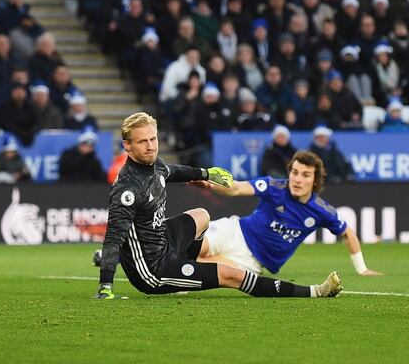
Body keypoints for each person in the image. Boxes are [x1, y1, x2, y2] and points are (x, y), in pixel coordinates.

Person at [93, 112, 341, 300]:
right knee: (231, 275)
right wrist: (106, 286)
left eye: (153, 139)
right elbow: (114, 237)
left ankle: (183, 273)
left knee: (201, 215)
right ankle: (315, 292)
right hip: (151, 268)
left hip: (162, 241)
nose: (151, 146)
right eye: (143, 142)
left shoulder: (154, 164)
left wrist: (206, 173)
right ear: (127, 145)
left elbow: (174, 171)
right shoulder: (127, 189)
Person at [195, 150, 381, 276]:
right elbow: (237, 188)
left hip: (250, 262)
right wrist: (210, 184)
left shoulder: (322, 210)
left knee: (196, 268)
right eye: (295, 172)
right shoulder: (273, 186)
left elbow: (347, 233)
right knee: (190, 247)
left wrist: (362, 269)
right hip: (233, 232)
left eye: (305, 175)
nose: (298, 179)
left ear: (315, 181)